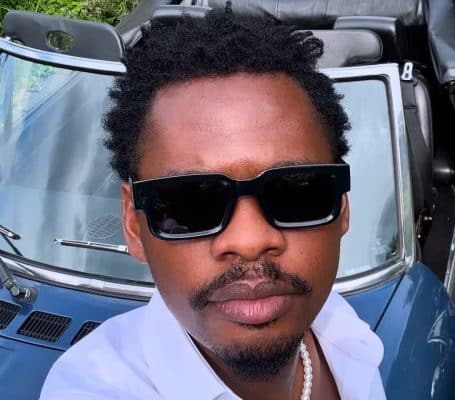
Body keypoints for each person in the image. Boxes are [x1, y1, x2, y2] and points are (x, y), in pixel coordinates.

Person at [40, 7, 386, 400]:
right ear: (134, 224)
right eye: (189, 204)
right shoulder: (93, 388)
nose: (250, 240)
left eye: (297, 193)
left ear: (342, 205)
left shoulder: (344, 332)